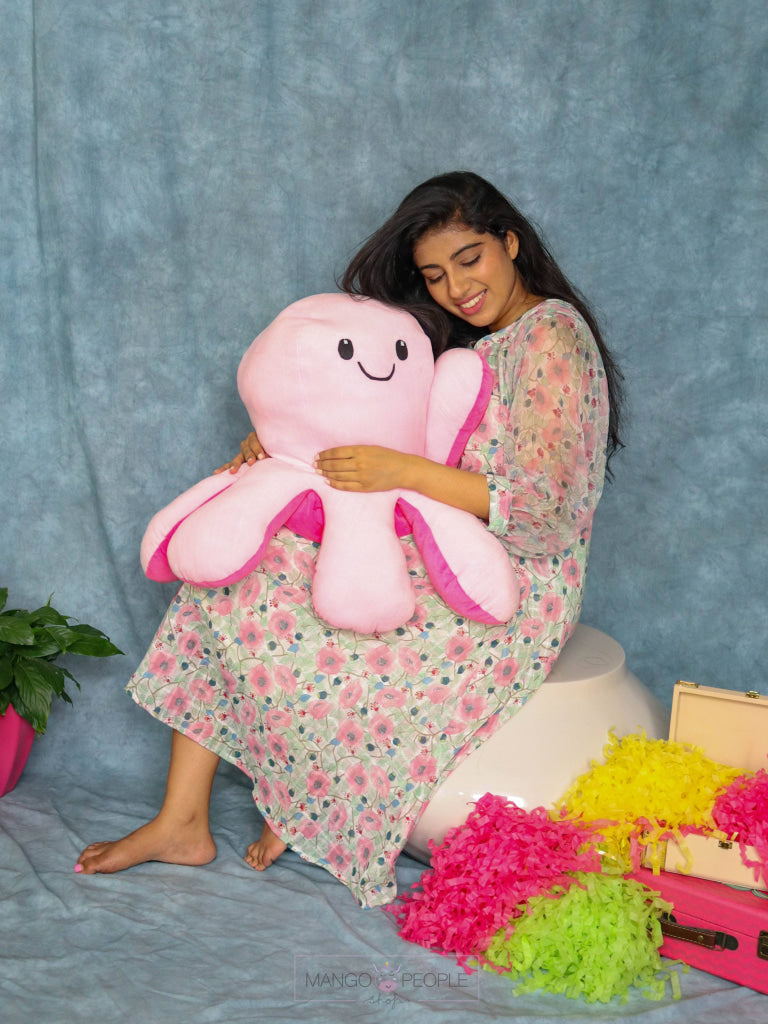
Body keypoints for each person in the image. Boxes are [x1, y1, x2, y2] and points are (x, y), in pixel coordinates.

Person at [77, 171, 623, 908]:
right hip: (451, 545)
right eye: (435, 275)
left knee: (284, 606)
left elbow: (544, 513)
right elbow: (402, 427)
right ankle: (184, 820)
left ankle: (285, 804)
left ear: (510, 243)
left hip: (519, 580)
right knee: (235, 574)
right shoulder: (482, 341)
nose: (457, 287)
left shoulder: (552, 334)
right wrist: (284, 445)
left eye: (470, 259)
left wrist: (403, 470)